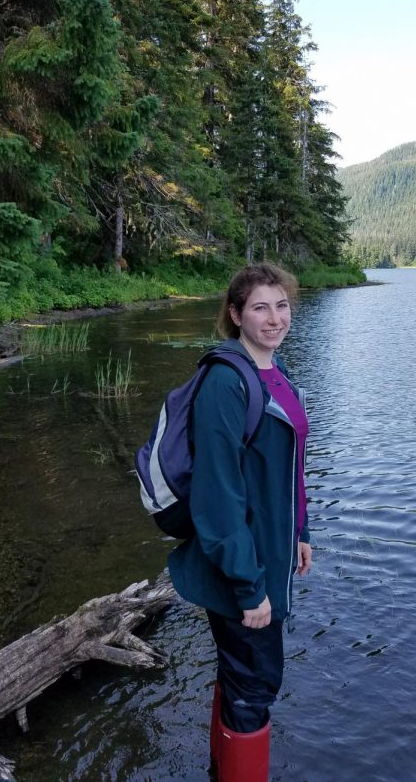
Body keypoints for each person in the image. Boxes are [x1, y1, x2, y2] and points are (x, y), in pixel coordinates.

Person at [168, 263, 312, 782]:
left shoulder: (275, 373)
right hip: (241, 562)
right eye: (260, 307)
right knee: (257, 683)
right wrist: (249, 588)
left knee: (242, 675)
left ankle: (218, 767)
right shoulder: (227, 383)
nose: (275, 318)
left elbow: (290, 463)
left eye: (282, 305)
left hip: (271, 546)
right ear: (235, 315)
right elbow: (217, 495)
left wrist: (301, 530)